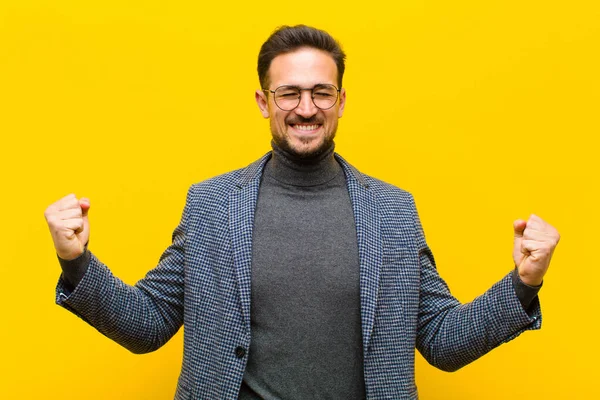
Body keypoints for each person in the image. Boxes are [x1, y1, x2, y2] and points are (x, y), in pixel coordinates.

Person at [44, 25, 560, 400]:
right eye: (289, 92)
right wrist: (78, 264)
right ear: (264, 102)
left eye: (321, 92)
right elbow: (148, 324)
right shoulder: (212, 206)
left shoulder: (392, 211)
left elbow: (444, 341)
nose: (306, 108)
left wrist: (522, 284)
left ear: (341, 101)